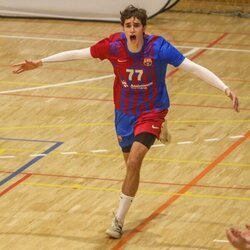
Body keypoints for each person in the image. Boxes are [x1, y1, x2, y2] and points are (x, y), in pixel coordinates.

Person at [13, 5, 239, 239]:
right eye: (128, 25)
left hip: (152, 111)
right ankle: (126, 202)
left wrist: (225, 88)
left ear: (143, 28)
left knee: (134, 161)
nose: (132, 29)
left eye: (137, 25)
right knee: (130, 167)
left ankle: (118, 220)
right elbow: (80, 53)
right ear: (123, 28)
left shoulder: (159, 47)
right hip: (124, 114)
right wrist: (40, 62)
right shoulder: (113, 46)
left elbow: (192, 67)